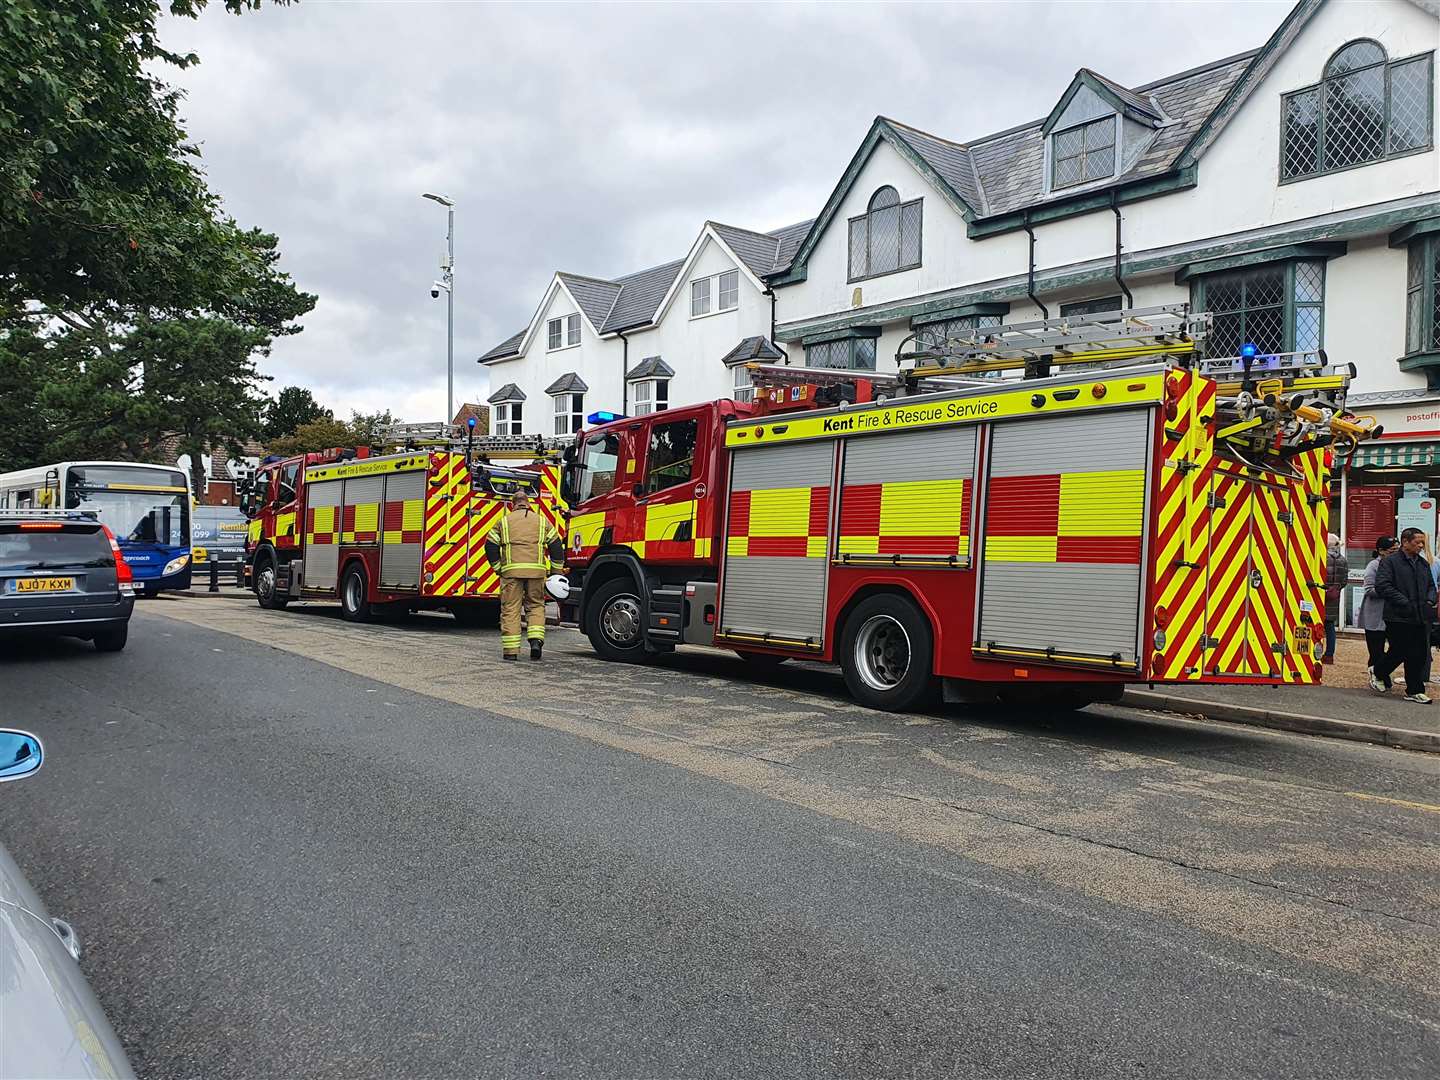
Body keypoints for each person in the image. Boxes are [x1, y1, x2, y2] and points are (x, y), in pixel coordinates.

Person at [484, 488, 564, 661]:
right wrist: (556, 573)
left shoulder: (504, 521)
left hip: (511, 573)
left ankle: (511, 652)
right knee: (535, 606)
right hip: (536, 573)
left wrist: (498, 567)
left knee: (511, 609)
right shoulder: (542, 521)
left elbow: (490, 545)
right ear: (529, 504)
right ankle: (536, 641)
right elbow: (556, 546)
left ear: (513, 505)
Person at [1370, 527, 1438, 703]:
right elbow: (1383, 585)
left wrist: (1430, 600)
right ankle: (1378, 671)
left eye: (1423, 542)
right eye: (1418, 542)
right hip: (1398, 615)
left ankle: (1415, 690)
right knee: (1399, 650)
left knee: (1419, 653)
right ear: (1405, 542)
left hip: (1420, 615)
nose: (1421, 546)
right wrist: (1405, 601)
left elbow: (1431, 585)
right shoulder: (1390, 562)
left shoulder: (1422, 563)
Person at [1360, 536, 1398, 684]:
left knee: (1396, 647)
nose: (1395, 554)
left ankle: (1381, 673)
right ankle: (1379, 675)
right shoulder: (1373, 566)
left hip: (1393, 614)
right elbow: (1369, 589)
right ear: (1381, 551)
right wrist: (1390, 591)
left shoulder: (1397, 565)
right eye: (1391, 551)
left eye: (1397, 550)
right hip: (1375, 614)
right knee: (1376, 648)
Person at [1322, 533, 1348, 664]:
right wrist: (1335, 589)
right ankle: (1329, 654)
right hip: (1333, 596)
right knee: (1330, 625)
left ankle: (1314, 652)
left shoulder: (1321, 557)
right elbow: (1344, 581)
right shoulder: (1342, 559)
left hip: (1319, 594)